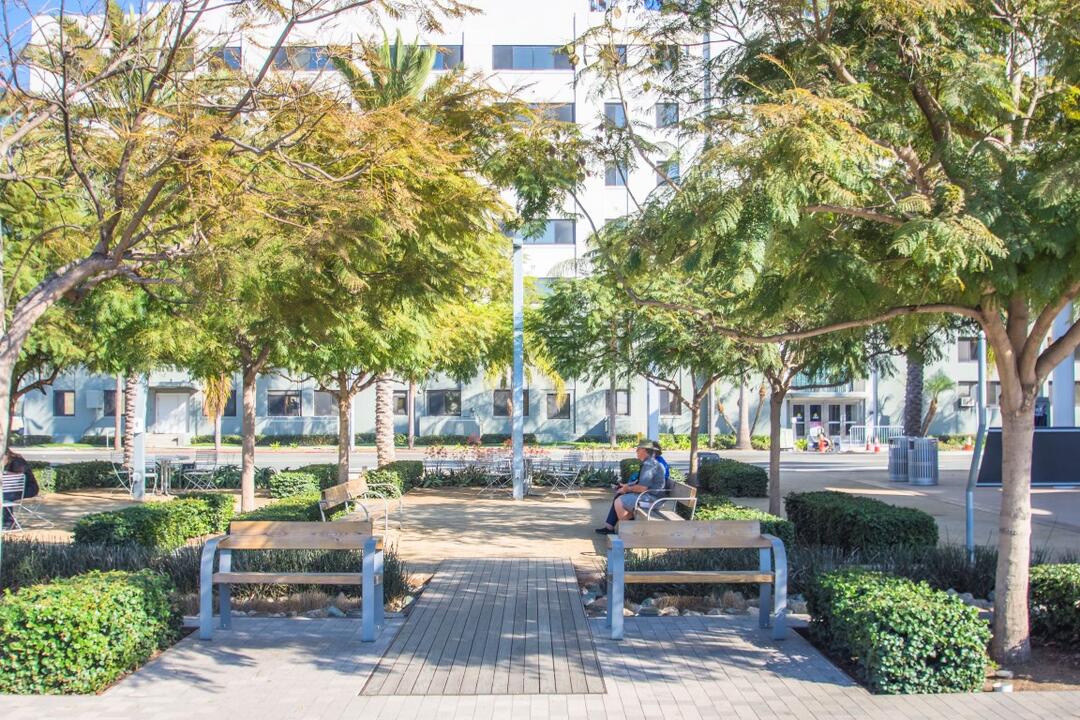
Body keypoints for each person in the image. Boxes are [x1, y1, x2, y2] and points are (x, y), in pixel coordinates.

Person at [595, 440, 667, 534]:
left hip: (653, 500)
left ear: (644, 450)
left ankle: (629, 532)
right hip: (651, 496)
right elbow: (641, 482)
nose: (636, 451)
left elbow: (642, 488)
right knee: (619, 495)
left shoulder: (649, 464)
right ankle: (615, 528)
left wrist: (627, 489)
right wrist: (626, 486)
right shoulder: (650, 463)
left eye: (638, 449)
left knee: (619, 502)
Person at [2, 449, 38, 529]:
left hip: (28, 489)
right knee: (4, 494)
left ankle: (9, 522)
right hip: (12, 489)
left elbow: (19, 476)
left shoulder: (17, 461)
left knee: (4, 496)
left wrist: (4, 472)